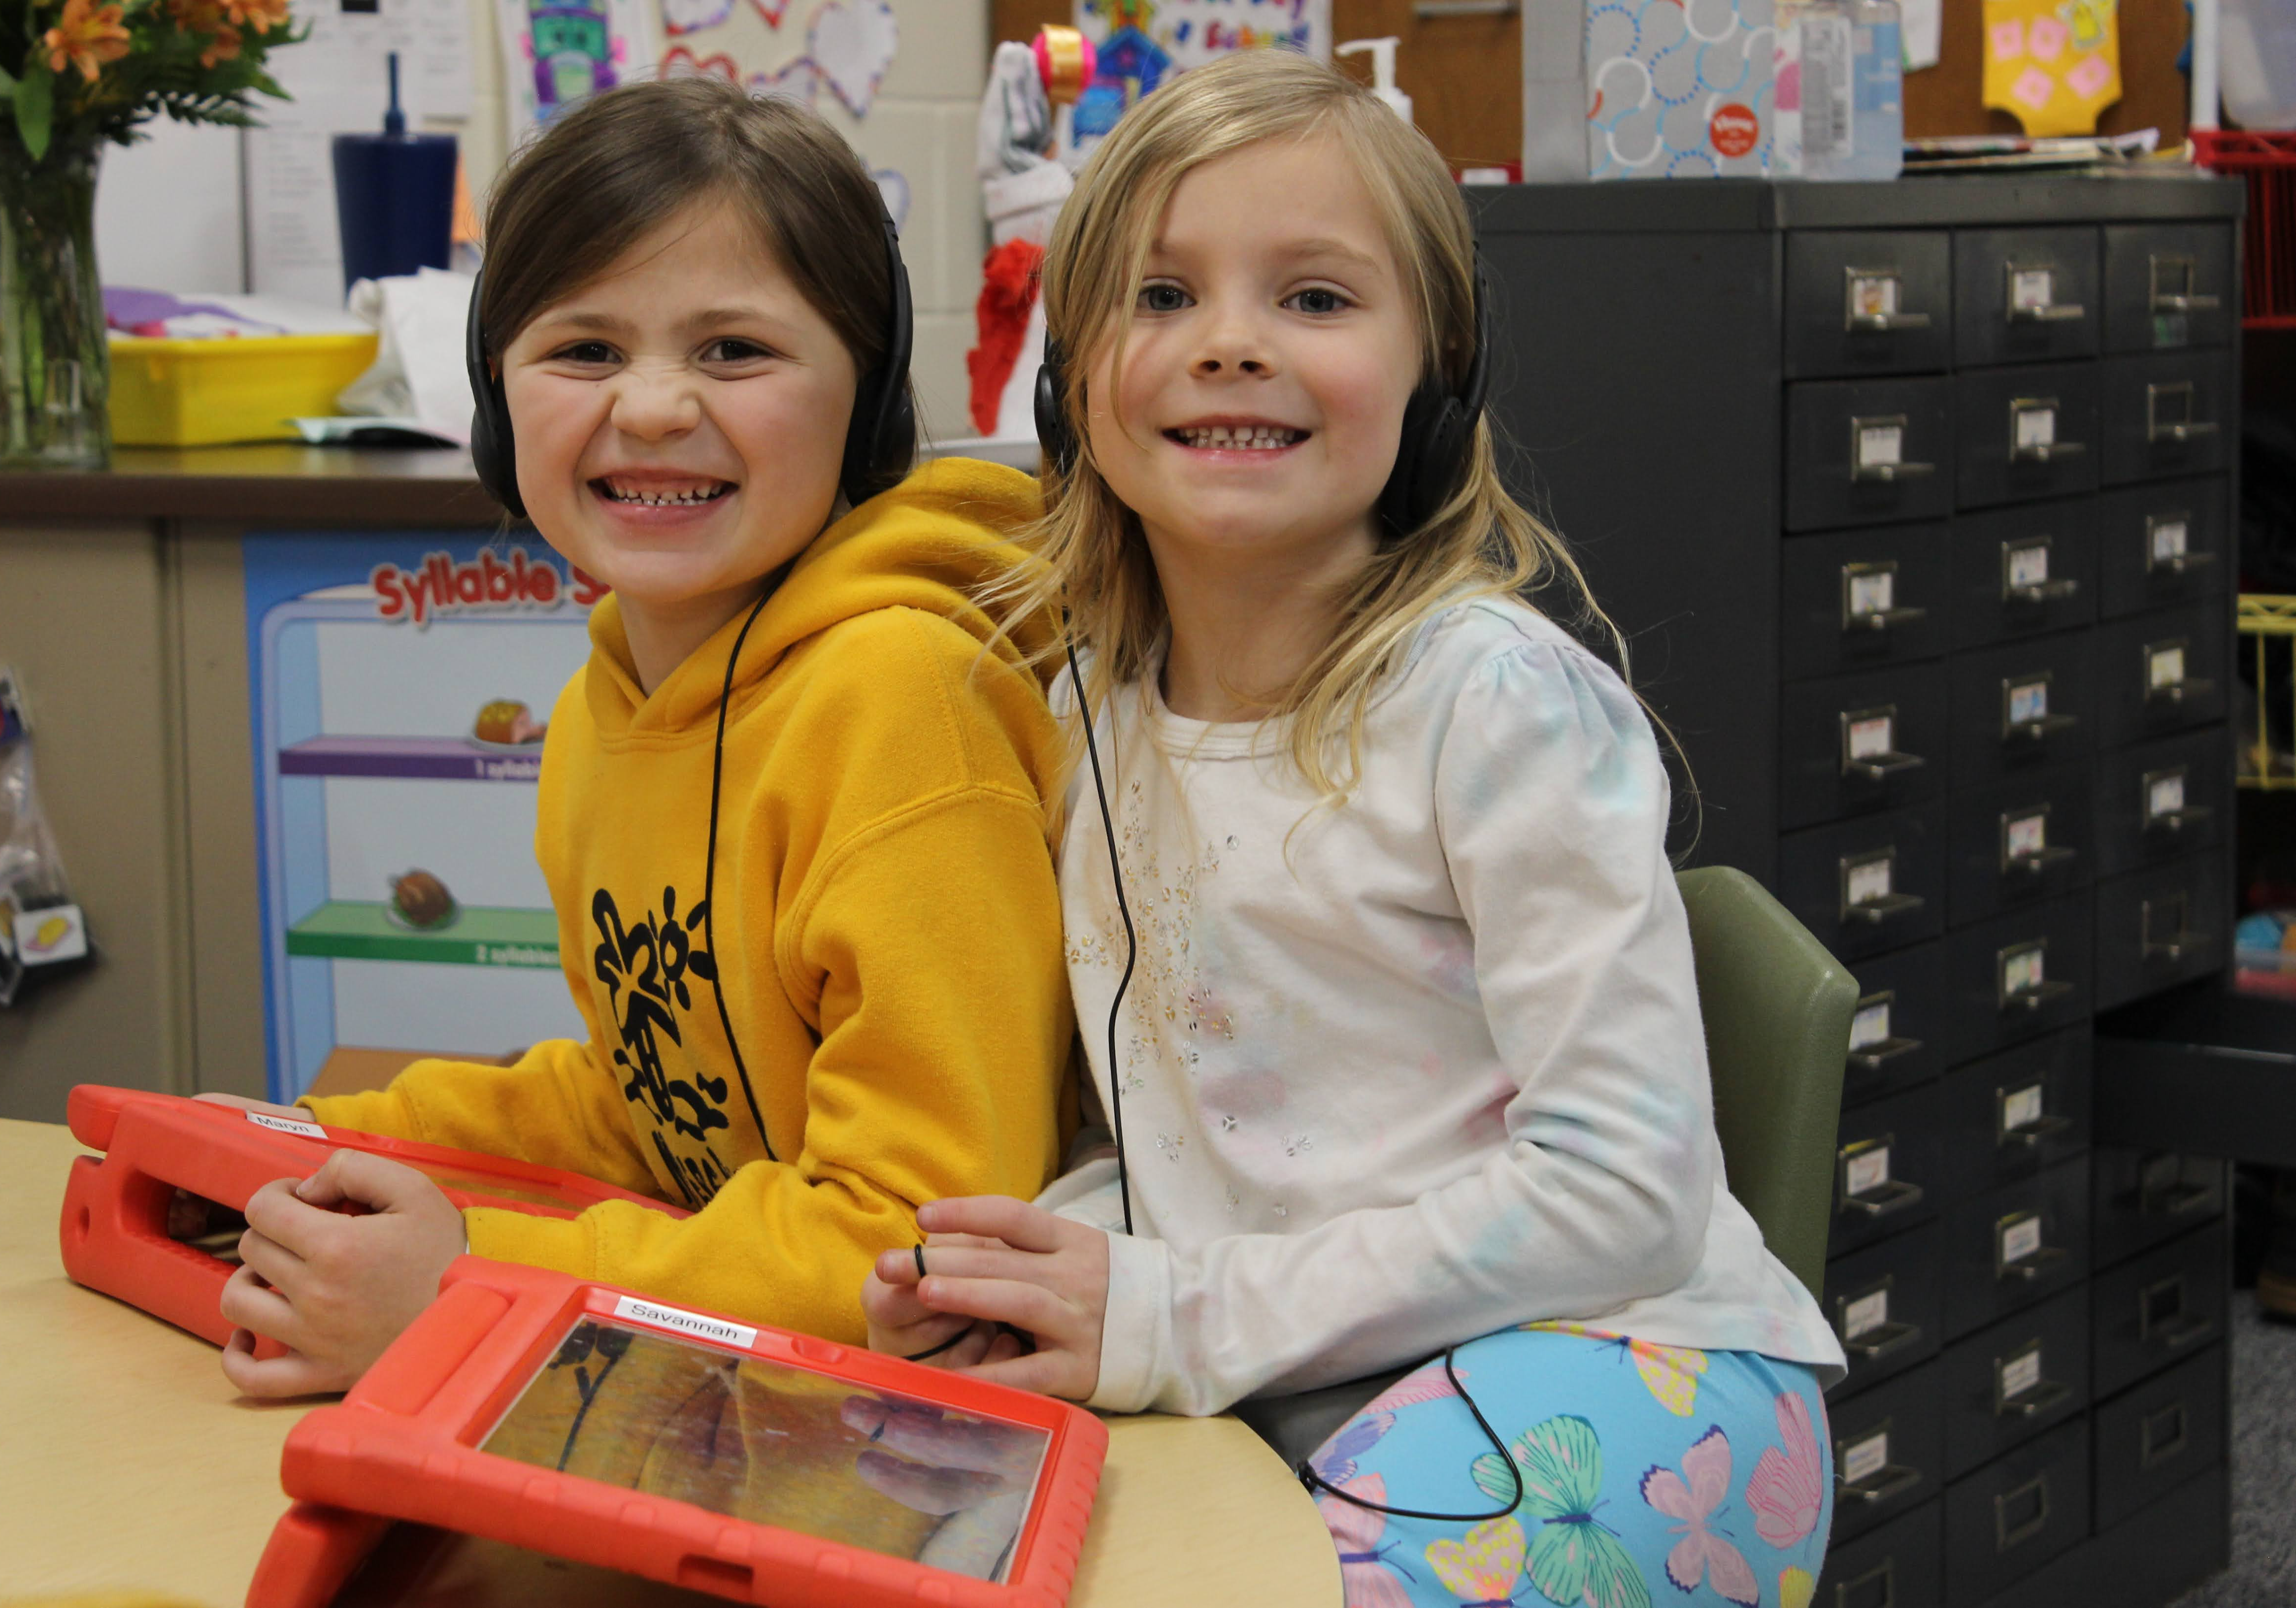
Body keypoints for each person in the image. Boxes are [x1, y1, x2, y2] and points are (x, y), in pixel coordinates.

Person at [861, 51, 1846, 1608]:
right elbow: (1230, 1143)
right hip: (1304, 1373)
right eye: (1162, 297)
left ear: (1434, 377)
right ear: (1069, 385)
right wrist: (1035, 1273)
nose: (1230, 345)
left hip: (1624, 1378)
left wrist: (1174, 1319)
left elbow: (1626, 1188)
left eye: (1315, 300)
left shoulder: (1496, 706)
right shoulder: (1086, 721)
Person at [203, 76, 1073, 1400]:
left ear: (870, 399)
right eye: (586, 351)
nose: (656, 406)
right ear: (499, 405)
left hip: (950, 1415)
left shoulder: (900, 702)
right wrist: (312, 1143)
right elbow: (666, 1110)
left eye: (734, 350)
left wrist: (463, 1290)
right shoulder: (614, 699)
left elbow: (922, 1247)